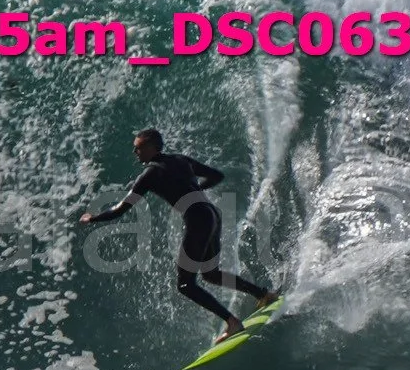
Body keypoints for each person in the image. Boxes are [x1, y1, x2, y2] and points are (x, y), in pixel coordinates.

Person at [79, 129, 277, 338]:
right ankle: (264, 295)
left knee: (185, 285)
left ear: (151, 147)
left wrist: (92, 218)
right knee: (210, 274)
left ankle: (232, 322)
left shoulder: (149, 174)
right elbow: (216, 176)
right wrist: (193, 190)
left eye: (138, 147)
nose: (134, 151)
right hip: (211, 216)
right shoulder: (181, 160)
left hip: (198, 221)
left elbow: (120, 209)